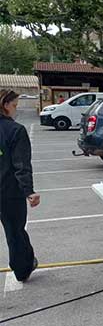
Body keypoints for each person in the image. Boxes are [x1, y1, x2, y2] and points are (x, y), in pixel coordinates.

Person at [0, 89, 39, 282]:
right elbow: (21, 165)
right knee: (15, 231)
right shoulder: (15, 130)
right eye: (14, 105)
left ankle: (23, 263)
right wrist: (29, 191)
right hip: (9, 192)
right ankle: (22, 268)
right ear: (5, 105)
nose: (16, 110)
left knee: (13, 231)